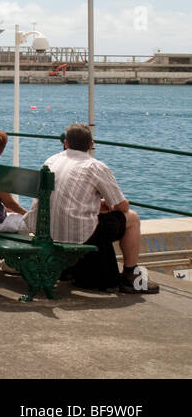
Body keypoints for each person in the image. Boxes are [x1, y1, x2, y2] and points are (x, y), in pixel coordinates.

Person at [32, 123, 159, 294]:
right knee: (133, 218)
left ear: (66, 143)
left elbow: (62, 198)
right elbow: (121, 206)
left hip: (48, 229)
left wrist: (96, 206)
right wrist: (110, 205)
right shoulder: (95, 166)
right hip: (79, 233)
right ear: (91, 145)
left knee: (105, 216)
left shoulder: (51, 160)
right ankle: (130, 274)